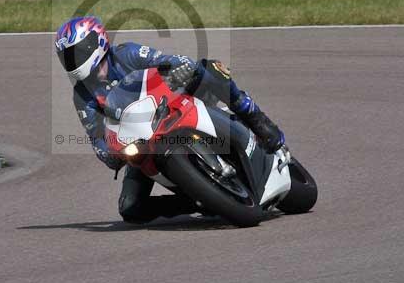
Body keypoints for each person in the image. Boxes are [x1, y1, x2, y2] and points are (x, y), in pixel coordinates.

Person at [55, 15, 285, 224]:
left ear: (95, 43)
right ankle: (197, 199)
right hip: (143, 143)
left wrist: (180, 69)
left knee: (208, 69)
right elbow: (96, 137)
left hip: (173, 106)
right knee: (130, 209)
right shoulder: (82, 95)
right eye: (66, 57)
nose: (72, 61)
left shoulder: (127, 54)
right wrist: (111, 154)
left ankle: (256, 118)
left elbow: (170, 60)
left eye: (76, 53)